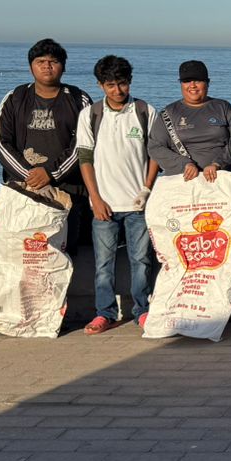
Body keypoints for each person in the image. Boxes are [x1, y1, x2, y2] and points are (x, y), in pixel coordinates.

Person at [76, 55, 158, 334]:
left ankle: (142, 310)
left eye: (121, 84)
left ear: (130, 82)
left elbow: (155, 154)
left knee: (142, 261)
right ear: (100, 85)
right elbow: (84, 159)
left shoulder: (145, 111)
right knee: (103, 265)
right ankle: (104, 313)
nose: (117, 90)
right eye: (110, 85)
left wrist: (147, 189)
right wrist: (95, 199)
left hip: (138, 204)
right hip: (104, 206)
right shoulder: (90, 115)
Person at [0, 37, 92, 252]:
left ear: (63, 67)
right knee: (23, 253)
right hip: (23, 192)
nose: (47, 66)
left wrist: (52, 173)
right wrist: (30, 175)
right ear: (31, 67)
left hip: (68, 194)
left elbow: (85, 144)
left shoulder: (78, 99)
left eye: (53, 61)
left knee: (65, 253)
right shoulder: (15, 97)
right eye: (41, 61)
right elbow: (1, 142)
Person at [148, 60, 231, 180]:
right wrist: (184, 164)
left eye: (198, 80)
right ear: (181, 84)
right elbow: (155, 147)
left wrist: (217, 163)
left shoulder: (223, 107)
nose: (192, 85)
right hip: (182, 181)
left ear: (208, 83)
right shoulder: (167, 113)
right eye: (187, 81)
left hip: (221, 180)